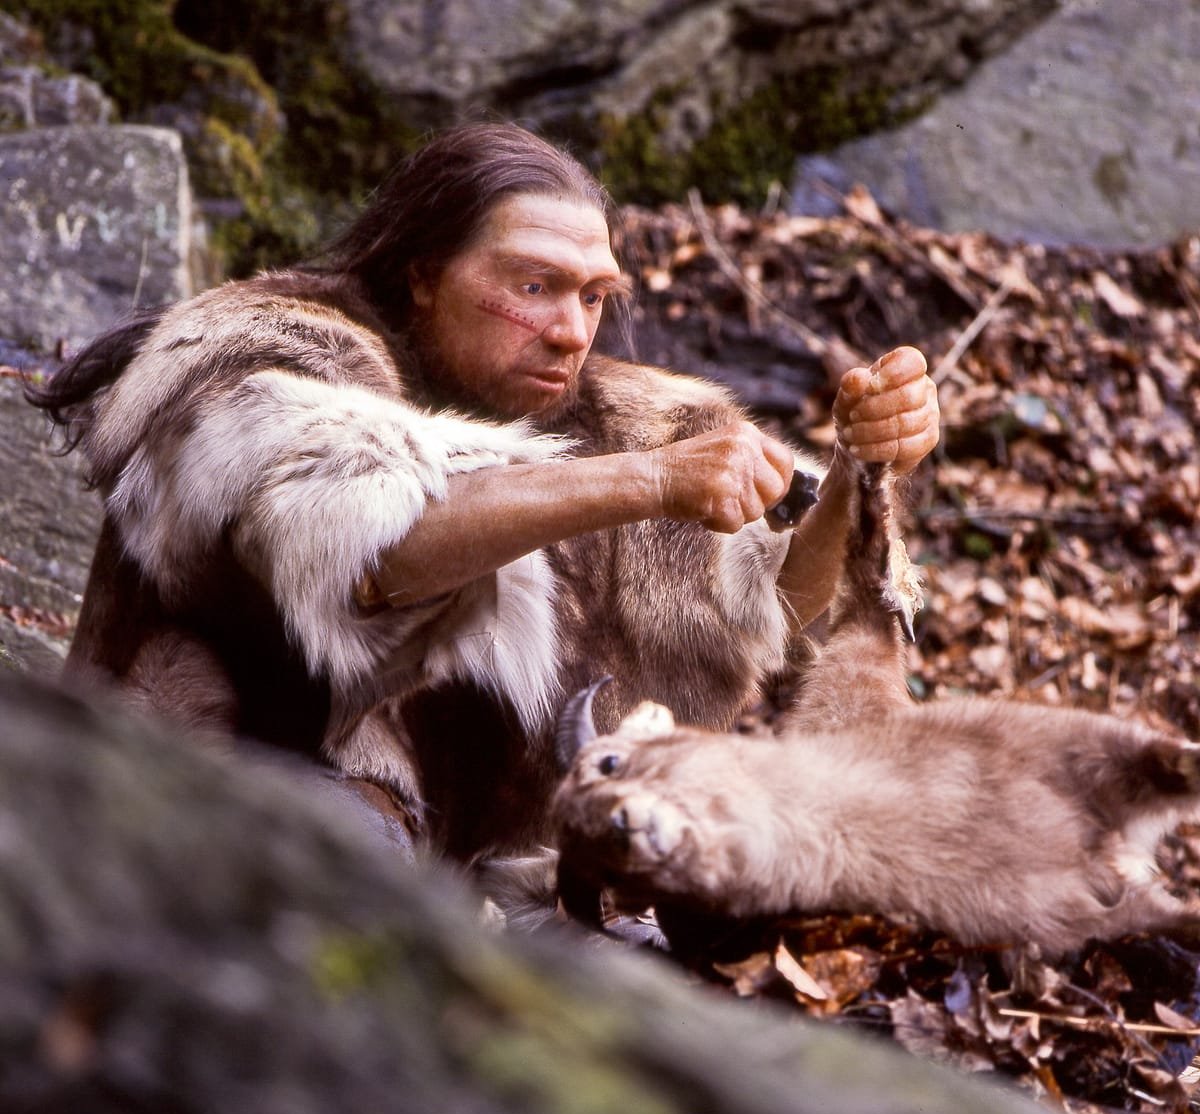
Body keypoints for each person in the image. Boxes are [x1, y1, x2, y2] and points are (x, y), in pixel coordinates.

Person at [31, 122, 939, 859]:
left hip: (497, 882)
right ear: (424, 274)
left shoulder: (631, 418)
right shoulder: (269, 348)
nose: (571, 331)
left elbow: (781, 601)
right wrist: (650, 483)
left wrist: (857, 476)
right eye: (535, 286)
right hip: (188, 794)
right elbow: (367, 551)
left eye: (593, 296)